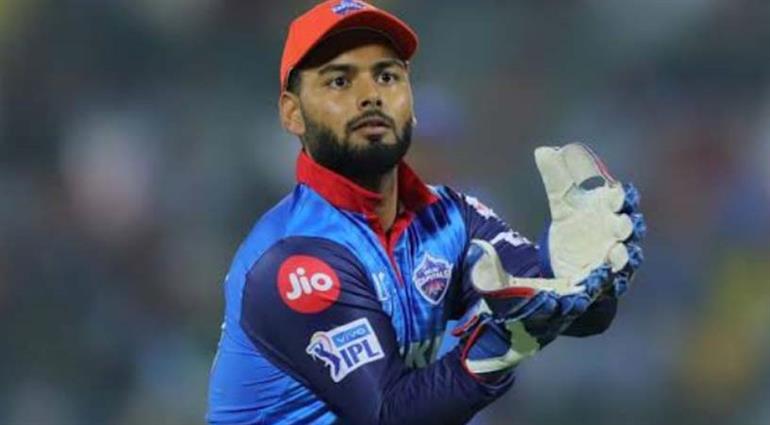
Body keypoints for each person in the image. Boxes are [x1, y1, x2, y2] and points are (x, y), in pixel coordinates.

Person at [206, 1, 645, 424]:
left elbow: (566, 308)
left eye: (387, 76)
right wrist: (505, 341)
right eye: (339, 81)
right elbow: (389, 414)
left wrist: (588, 276)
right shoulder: (291, 262)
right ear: (292, 113)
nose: (370, 96)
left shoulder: (450, 217)